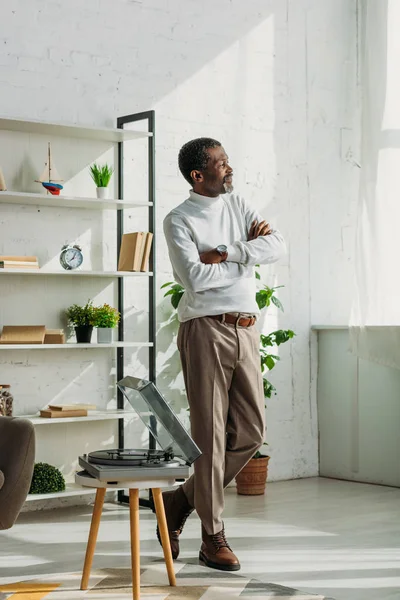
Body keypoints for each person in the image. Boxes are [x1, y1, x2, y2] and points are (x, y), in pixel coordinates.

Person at [160, 137, 286, 571]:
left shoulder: (239, 206)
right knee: (210, 438)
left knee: (250, 432)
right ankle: (212, 538)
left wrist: (228, 252)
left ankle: (178, 503)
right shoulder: (178, 219)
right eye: (221, 163)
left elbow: (277, 247)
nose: (229, 168)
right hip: (205, 330)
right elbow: (194, 279)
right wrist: (241, 260)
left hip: (247, 330)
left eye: (227, 160)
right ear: (199, 175)